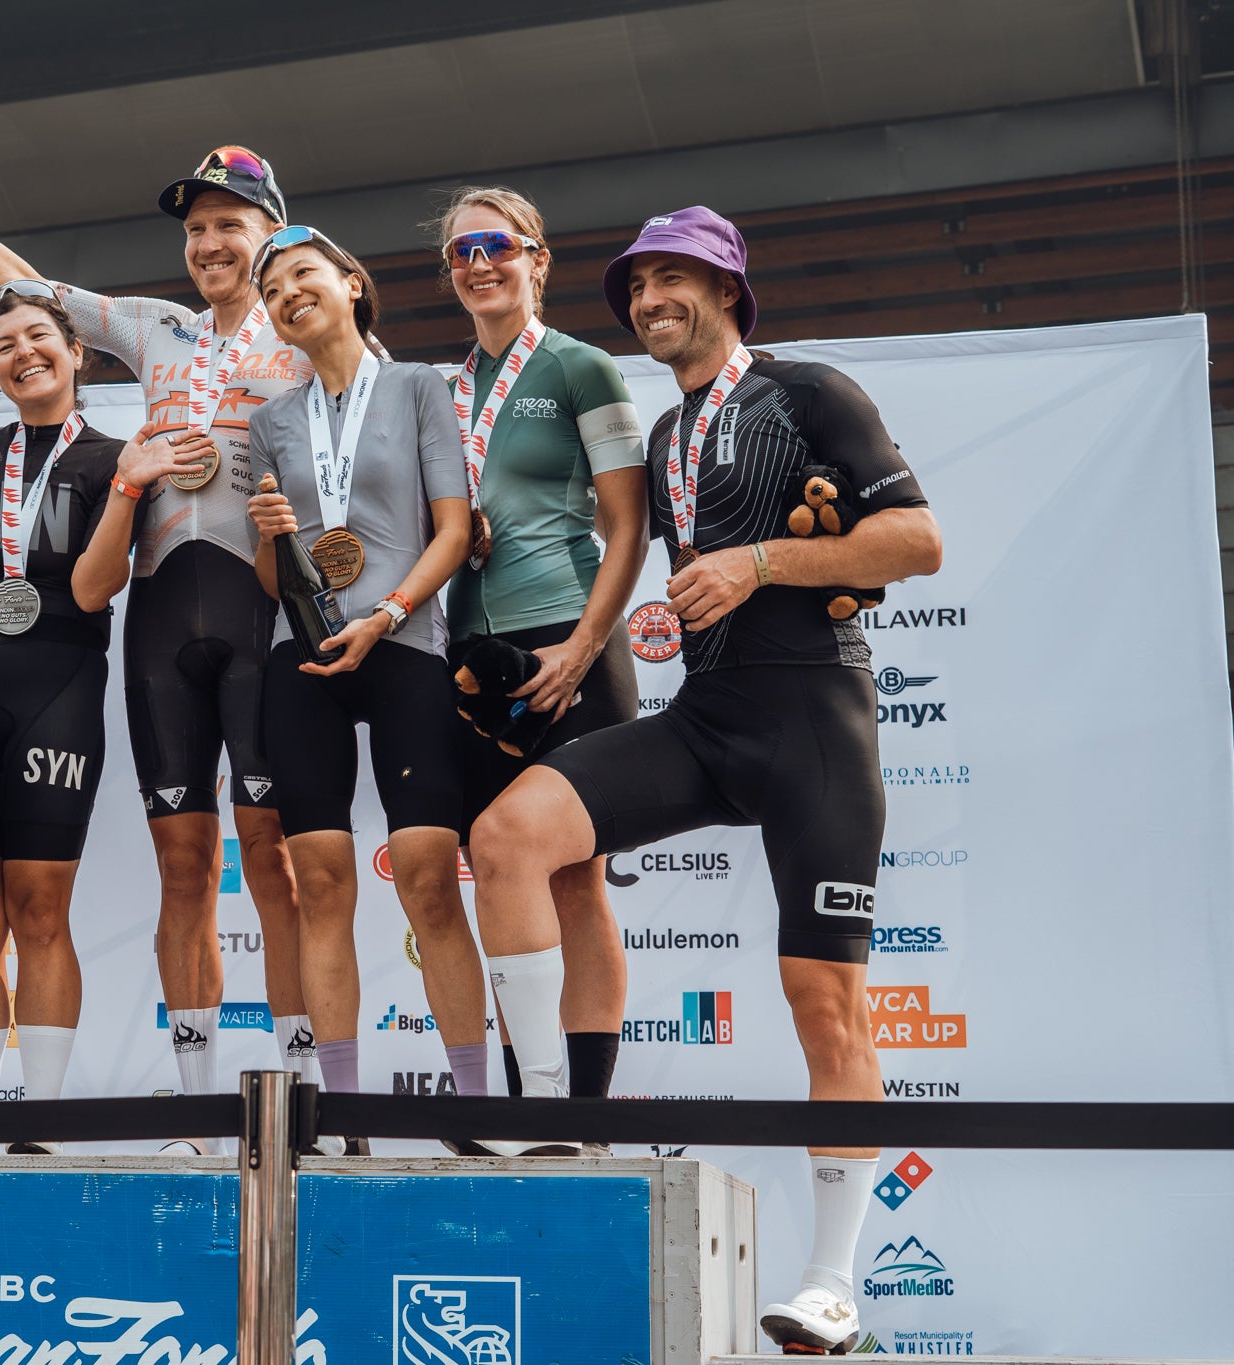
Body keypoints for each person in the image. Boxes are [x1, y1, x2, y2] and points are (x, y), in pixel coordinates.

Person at [469, 206, 942, 1354]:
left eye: (673, 279)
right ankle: (542, 1117)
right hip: (707, 718)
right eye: (635, 287)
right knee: (508, 835)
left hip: (812, 721)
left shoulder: (808, 392)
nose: (648, 302)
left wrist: (763, 562)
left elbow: (917, 543)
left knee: (823, 1000)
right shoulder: (672, 425)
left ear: (728, 287)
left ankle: (833, 1286)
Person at [0, 119, 318, 1122]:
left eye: (229, 225)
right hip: (162, 614)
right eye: (195, 228)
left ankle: (301, 1091)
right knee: (183, 866)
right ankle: (201, 1104)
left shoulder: (308, 329)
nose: (208, 244)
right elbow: (18, 287)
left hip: (262, 612)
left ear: (273, 234)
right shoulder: (157, 329)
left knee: (276, 858)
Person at [0, 285, 196, 1146]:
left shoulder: (119, 454)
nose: (22, 353)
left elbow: (90, 588)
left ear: (77, 352)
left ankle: (41, 1113)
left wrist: (126, 491)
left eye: (39, 336)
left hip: (58, 687)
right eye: (4, 344)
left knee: (39, 906)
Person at [429, 188, 649, 1152]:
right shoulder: (441, 390)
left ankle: (581, 1116)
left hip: (568, 636)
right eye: (460, 253)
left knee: (579, 880)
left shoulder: (582, 367)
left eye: (497, 247)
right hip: (475, 652)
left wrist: (586, 646)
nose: (479, 263)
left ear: (537, 259)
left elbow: (629, 522)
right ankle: (531, 1105)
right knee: (499, 867)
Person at [242, 226, 484, 1101]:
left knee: (426, 875)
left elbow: (452, 529)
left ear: (352, 283)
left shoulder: (421, 386)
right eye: (272, 290)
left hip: (406, 640)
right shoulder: (270, 421)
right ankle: (339, 1110)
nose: (286, 294)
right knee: (319, 882)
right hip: (302, 658)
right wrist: (272, 537)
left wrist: (385, 614)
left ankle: (475, 1105)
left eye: (302, 275)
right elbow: (274, 578)